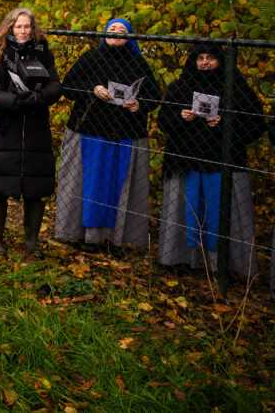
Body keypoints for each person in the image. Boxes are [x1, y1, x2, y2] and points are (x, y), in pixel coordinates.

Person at [157, 42, 266, 277]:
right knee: (184, 212)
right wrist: (181, 117)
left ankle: (220, 266)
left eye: (211, 58)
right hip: (185, 162)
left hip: (223, 164)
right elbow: (163, 122)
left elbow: (256, 126)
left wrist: (225, 124)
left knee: (221, 215)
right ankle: (183, 260)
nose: (205, 62)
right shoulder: (180, 88)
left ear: (221, 61)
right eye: (200, 58)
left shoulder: (237, 88)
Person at [54, 18, 160, 257]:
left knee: (118, 188)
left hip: (125, 136)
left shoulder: (138, 63)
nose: (116, 33)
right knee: (91, 187)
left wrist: (140, 104)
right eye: (111, 29)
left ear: (129, 38)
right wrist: (93, 88)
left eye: (122, 30)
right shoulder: (90, 58)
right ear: (104, 34)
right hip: (91, 133)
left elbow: (154, 95)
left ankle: (116, 241)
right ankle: (88, 237)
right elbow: (68, 86)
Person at [0, 8, 62, 258]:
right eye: (18, 26)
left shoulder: (43, 52)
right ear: (10, 28)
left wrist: (38, 97)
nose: (23, 31)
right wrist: (15, 101)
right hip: (6, 127)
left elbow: (56, 86)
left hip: (36, 127)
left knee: (36, 185)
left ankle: (31, 241)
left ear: (33, 28)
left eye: (27, 26)